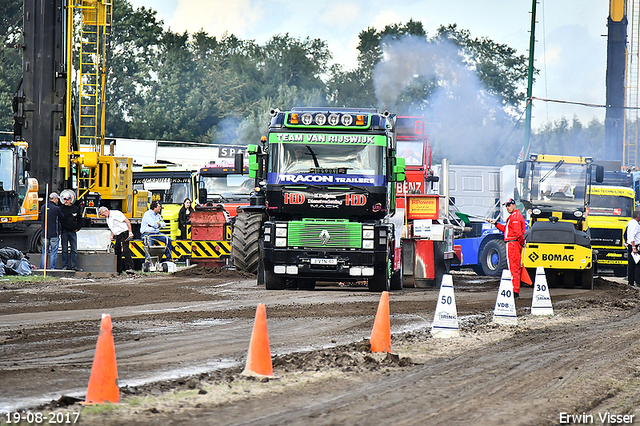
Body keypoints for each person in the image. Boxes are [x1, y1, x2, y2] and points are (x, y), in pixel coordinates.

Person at [488, 198, 526, 298]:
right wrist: (495, 224)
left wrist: (521, 243)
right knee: (514, 267)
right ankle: (515, 290)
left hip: (513, 244)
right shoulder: (514, 216)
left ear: (514, 205)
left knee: (513, 267)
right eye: (506, 206)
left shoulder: (515, 217)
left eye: (509, 205)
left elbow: (518, 233)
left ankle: (514, 291)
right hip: (513, 243)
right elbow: (506, 230)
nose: (507, 208)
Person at [99, 206, 135, 275]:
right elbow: (113, 227)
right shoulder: (108, 218)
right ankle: (118, 270)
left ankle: (131, 268)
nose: (103, 216)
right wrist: (112, 235)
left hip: (124, 232)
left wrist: (130, 232)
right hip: (118, 234)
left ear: (106, 211)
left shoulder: (116, 214)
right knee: (117, 251)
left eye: (103, 214)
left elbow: (127, 221)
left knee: (125, 250)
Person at [40, 192, 65, 269]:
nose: (57, 200)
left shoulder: (43, 207)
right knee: (54, 252)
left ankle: (42, 268)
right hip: (54, 233)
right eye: (57, 199)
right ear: (54, 199)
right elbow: (62, 218)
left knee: (45, 252)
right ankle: (52, 268)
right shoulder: (56, 209)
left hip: (45, 233)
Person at [59, 193, 82, 271]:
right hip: (64, 232)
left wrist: (78, 227)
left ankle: (74, 266)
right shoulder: (61, 208)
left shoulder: (75, 208)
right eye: (64, 199)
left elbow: (80, 219)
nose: (65, 201)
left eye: (67, 199)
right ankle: (65, 265)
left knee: (74, 250)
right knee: (64, 250)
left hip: (73, 232)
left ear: (71, 200)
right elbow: (59, 220)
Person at [626, 210, 640, 286]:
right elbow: (632, 236)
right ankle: (638, 281)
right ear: (638, 216)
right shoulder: (635, 224)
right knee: (637, 264)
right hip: (635, 246)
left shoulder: (631, 222)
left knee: (631, 264)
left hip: (631, 245)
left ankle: (631, 281)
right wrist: (634, 247)